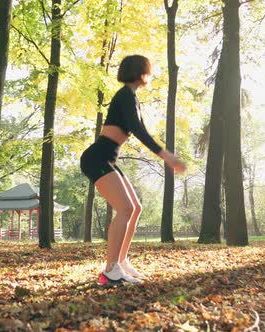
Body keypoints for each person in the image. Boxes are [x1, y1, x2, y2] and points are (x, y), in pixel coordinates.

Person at [80, 55, 186, 285]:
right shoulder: (125, 95)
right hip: (97, 158)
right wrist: (165, 155)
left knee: (134, 207)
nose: (151, 74)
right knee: (125, 208)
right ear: (142, 72)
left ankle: (121, 261)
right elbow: (138, 130)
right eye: (149, 69)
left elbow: (140, 128)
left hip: (107, 159)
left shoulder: (131, 98)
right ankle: (110, 271)